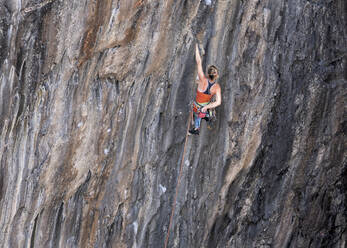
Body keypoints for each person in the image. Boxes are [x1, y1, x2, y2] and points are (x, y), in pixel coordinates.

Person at [189, 44, 222, 135]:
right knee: (206, 106)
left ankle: (196, 128)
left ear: (208, 73)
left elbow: (199, 62)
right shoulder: (217, 87)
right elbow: (218, 102)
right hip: (205, 106)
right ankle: (208, 115)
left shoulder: (202, 80)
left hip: (198, 107)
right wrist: (206, 107)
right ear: (216, 75)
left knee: (196, 112)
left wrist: (195, 47)